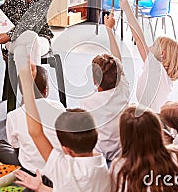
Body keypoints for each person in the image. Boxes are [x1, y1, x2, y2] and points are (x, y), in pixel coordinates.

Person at [13, 58, 111, 192]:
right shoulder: (103, 167)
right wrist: (41, 188)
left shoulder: (64, 169)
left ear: (66, 149)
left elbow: (36, 132)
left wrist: (27, 86)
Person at [0, 65, 64, 179]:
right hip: (58, 167)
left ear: (21, 91)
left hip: (30, 170)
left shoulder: (13, 116)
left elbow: (16, 147)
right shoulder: (58, 107)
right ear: (46, 90)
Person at [79, 12, 130, 164]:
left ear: (95, 80)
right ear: (120, 74)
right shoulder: (123, 88)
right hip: (122, 152)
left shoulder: (88, 102)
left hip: (99, 154)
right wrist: (110, 30)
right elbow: (118, 60)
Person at [119, 0, 178, 113]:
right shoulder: (163, 75)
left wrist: (127, 9)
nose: (149, 46)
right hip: (153, 114)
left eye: (154, 45)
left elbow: (138, 38)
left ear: (162, 54)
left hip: (149, 117)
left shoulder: (156, 69)